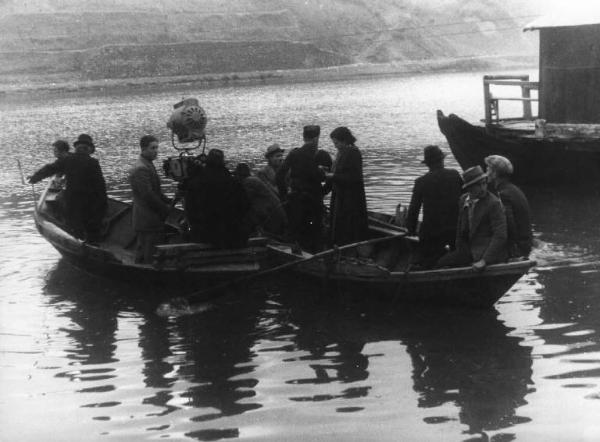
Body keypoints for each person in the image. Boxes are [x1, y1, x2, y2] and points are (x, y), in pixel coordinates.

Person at [29, 134, 107, 243]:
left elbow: (50, 168)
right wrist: (103, 205)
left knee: (75, 228)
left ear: (77, 148)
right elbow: (101, 186)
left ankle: (79, 240)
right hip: (90, 202)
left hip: (73, 201)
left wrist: (35, 177)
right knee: (92, 228)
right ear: (89, 149)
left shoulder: (68, 159)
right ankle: (92, 243)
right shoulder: (93, 163)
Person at [435, 165, 507, 270]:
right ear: (469, 187)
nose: (483, 188)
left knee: (442, 265)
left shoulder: (493, 203)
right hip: (467, 250)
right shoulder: (463, 200)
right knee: (440, 263)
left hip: (484, 252)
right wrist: (456, 249)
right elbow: (460, 230)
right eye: (478, 185)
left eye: (484, 183)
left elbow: (500, 235)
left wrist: (484, 261)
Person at [405, 145, 463, 268]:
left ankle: (427, 266)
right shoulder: (455, 175)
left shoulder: (421, 182)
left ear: (427, 164)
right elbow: (465, 199)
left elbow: (413, 211)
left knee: (427, 261)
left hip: (431, 232)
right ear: (442, 160)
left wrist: (410, 230)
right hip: (455, 230)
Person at [184, 149, 250, 248]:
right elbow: (245, 207)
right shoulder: (234, 183)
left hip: (204, 237)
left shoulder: (196, 183)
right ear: (223, 161)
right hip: (233, 237)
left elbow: (190, 211)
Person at [276, 125, 326, 252]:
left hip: (297, 198)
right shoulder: (319, 155)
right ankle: (316, 254)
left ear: (303, 138)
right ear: (316, 138)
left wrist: (283, 194)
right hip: (314, 199)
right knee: (316, 230)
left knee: (298, 229)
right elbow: (323, 177)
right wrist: (324, 191)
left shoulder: (294, 153)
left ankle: (298, 253)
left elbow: (280, 175)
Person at [128, 135, 172, 263]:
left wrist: (167, 200)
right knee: (149, 254)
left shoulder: (147, 164)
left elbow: (155, 191)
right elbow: (148, 195)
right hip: (147, 218)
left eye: (157, 148)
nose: (156, 151)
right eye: (152, 148)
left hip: (148, 218)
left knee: (146, 250)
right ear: (143, 149)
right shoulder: (141, 168)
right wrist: (165, 209)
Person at [325, 126, 368, 246]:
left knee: (347, 226)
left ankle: (346, 248)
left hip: (350, 198)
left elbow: (354, 178)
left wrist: (332, 176)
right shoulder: (342, 152)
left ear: (344, 140)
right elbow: (340, 172)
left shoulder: (353, 153)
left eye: (336, 143)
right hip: (341, 195)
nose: (335, 146)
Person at [484, 155, 533, 258]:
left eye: (488, 169)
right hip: (525, 244)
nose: (486, 172)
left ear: (495, 173)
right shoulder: (513, 189)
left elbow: (509, 226)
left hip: (517, 248)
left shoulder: (503, 194)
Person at [234, 163, 287, 236]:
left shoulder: (248, 182)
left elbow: (245, 201)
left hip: (272, 216)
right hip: (274, 213)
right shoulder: (253, 179)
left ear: (239, 175)